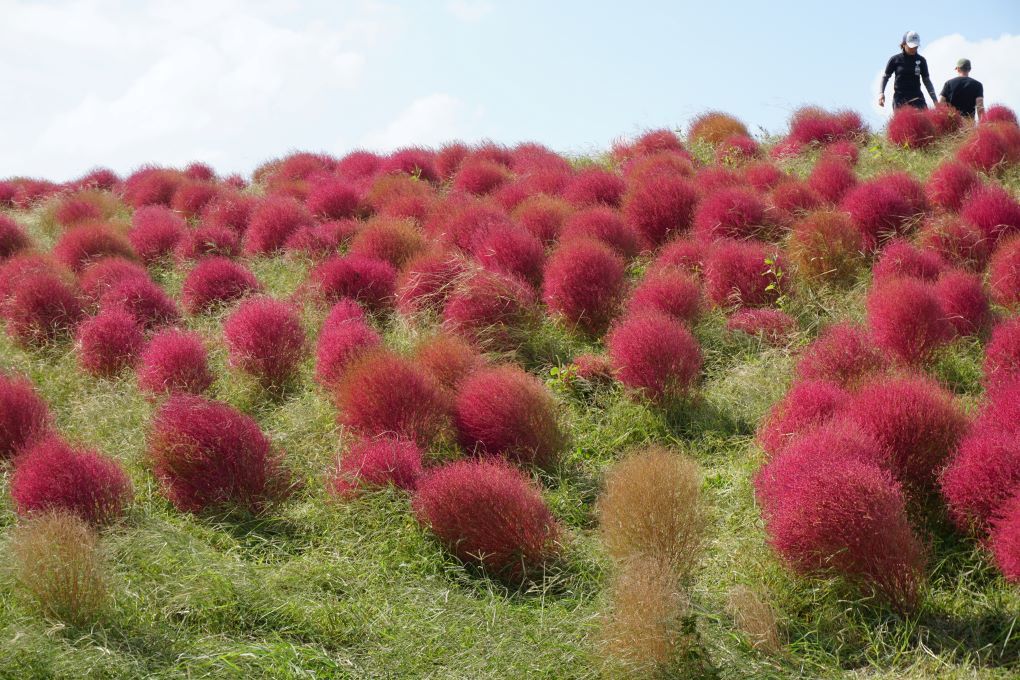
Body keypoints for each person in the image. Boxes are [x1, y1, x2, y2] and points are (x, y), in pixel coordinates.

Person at [879, 31, 938, 110]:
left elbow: (927, 81)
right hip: (900, 99)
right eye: (911, 46)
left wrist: (935, 100)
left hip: (918, 98)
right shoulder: (895, 60)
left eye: (916, 46)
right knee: (903, 122)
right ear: (904, 44)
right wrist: (881, 93)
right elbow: (885, 77)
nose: (914, 49)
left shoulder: (921, 60)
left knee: (926, 120)